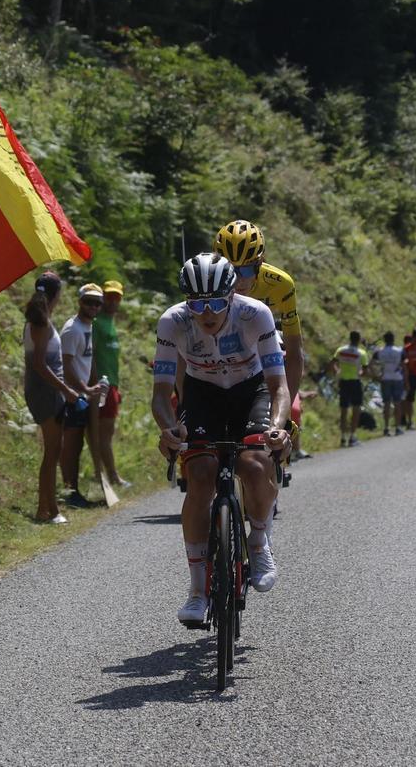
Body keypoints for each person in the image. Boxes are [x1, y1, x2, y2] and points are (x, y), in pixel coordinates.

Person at [152, 253, 290, 626]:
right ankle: (197, 591)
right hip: (203, 393)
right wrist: (169, 428)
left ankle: (259, 542)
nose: (207, 312)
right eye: (197, 303)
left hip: (252, 389)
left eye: (215, 302)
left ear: (232, 295)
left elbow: (278, 386)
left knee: (254, 462)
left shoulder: (255, 314)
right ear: (187, 302)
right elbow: (162, 393)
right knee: (200, 474)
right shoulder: (173, 323)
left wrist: (277, 426)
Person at [213, 219, 305, 442]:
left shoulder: (281, 284)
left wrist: (282, 414)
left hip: (263, 342)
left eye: (247, 269)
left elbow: (295, 352)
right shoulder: (208, 280)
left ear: (261, 262)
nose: (239, 279)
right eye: (232, 270)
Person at [22, 271, 81, 524]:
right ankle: (50, 510)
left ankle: (44, 508)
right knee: (51, 452)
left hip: (49, 391)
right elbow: (39, 364)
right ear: (56, 294)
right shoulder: (40, 323)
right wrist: (65, 389)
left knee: (53, 451)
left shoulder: (40, 320)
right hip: (45, 393)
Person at [59, 283, 107, 507]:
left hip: (83, 396)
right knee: (71, 446)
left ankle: (73, 490)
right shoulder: (72, 329)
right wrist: (84, 389)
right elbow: (66, 366)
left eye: (97, 303)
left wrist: (95, 384)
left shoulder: (88, 327)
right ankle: (70, 492)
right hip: (71, 397)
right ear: (80, 302)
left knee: (78, 446)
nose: (93, 306)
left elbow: (87, 360)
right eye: (89, 301)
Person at [88, 279, 130, 489]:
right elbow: (92, 354)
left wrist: (117, 387)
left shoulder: (110, 322)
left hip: (111, 385)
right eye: (109, 297)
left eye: (117, 297)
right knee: (104, 433)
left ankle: (106, 474)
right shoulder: (97, 322)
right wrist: (96, 383)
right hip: (102, 386)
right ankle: (110, 476)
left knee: (107, 433)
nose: (113, 301)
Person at [328, 331, 365, 447]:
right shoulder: (361, 353)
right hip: (355, 382)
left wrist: (336, 371)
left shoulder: (341, 350)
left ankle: (343, 437)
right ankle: (352, 437)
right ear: (359, 340)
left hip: (343, 382)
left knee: (344, 411)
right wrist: (361, 372)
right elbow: (365, 370)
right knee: (356, 409)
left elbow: (332, 363)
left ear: (350, 338)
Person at [371, 332, 405, 436]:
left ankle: (386, 427)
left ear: (385, 340)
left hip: (385, 378)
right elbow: (404, 364)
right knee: (397, 403)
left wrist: (376, 375)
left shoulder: (380, 352)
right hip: (397, 378)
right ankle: (398, 427)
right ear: (393, 339)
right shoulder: (399, 351)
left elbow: (371, 363)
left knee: (386, 403)